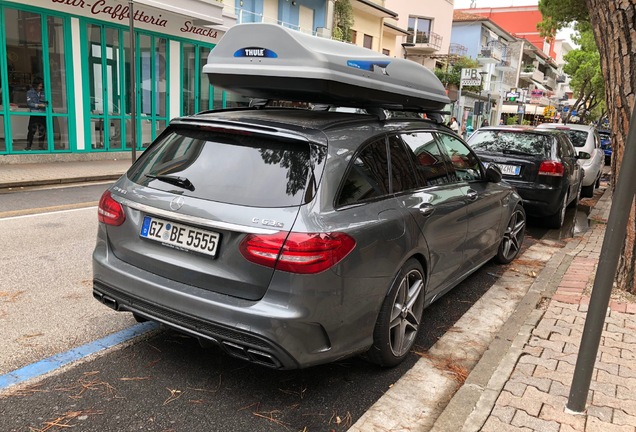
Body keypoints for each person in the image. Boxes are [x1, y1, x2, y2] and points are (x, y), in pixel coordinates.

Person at [26, 78, 47, 150]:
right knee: (31, 130)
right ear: (35, 85)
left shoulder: (44, 92)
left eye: (41, 86)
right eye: (39, 86)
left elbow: (47, 102)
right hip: (34, 113)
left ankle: (41, 146)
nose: (40, 88)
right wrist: (38, 105)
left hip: (43, 113)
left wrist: (44, 104)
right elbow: (29, 103)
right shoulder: (30, 92)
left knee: (42, 130)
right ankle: (28, 146)